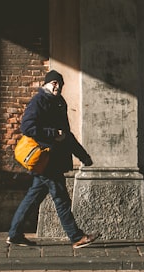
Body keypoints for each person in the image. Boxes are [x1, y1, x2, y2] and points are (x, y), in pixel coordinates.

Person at [7, 70, 98, 249]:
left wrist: (83, 155)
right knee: (61, 198)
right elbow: (27, 127)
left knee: (33, 197)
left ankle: (15, 234)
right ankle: (76, 237)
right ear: (46, 84)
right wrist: (52, 133)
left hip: (52, 160)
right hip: (47, 159)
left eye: (59, 83)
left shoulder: (59, 103)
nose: (57, 86)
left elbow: (66, 134)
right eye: (53, 83)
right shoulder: (39, 101)